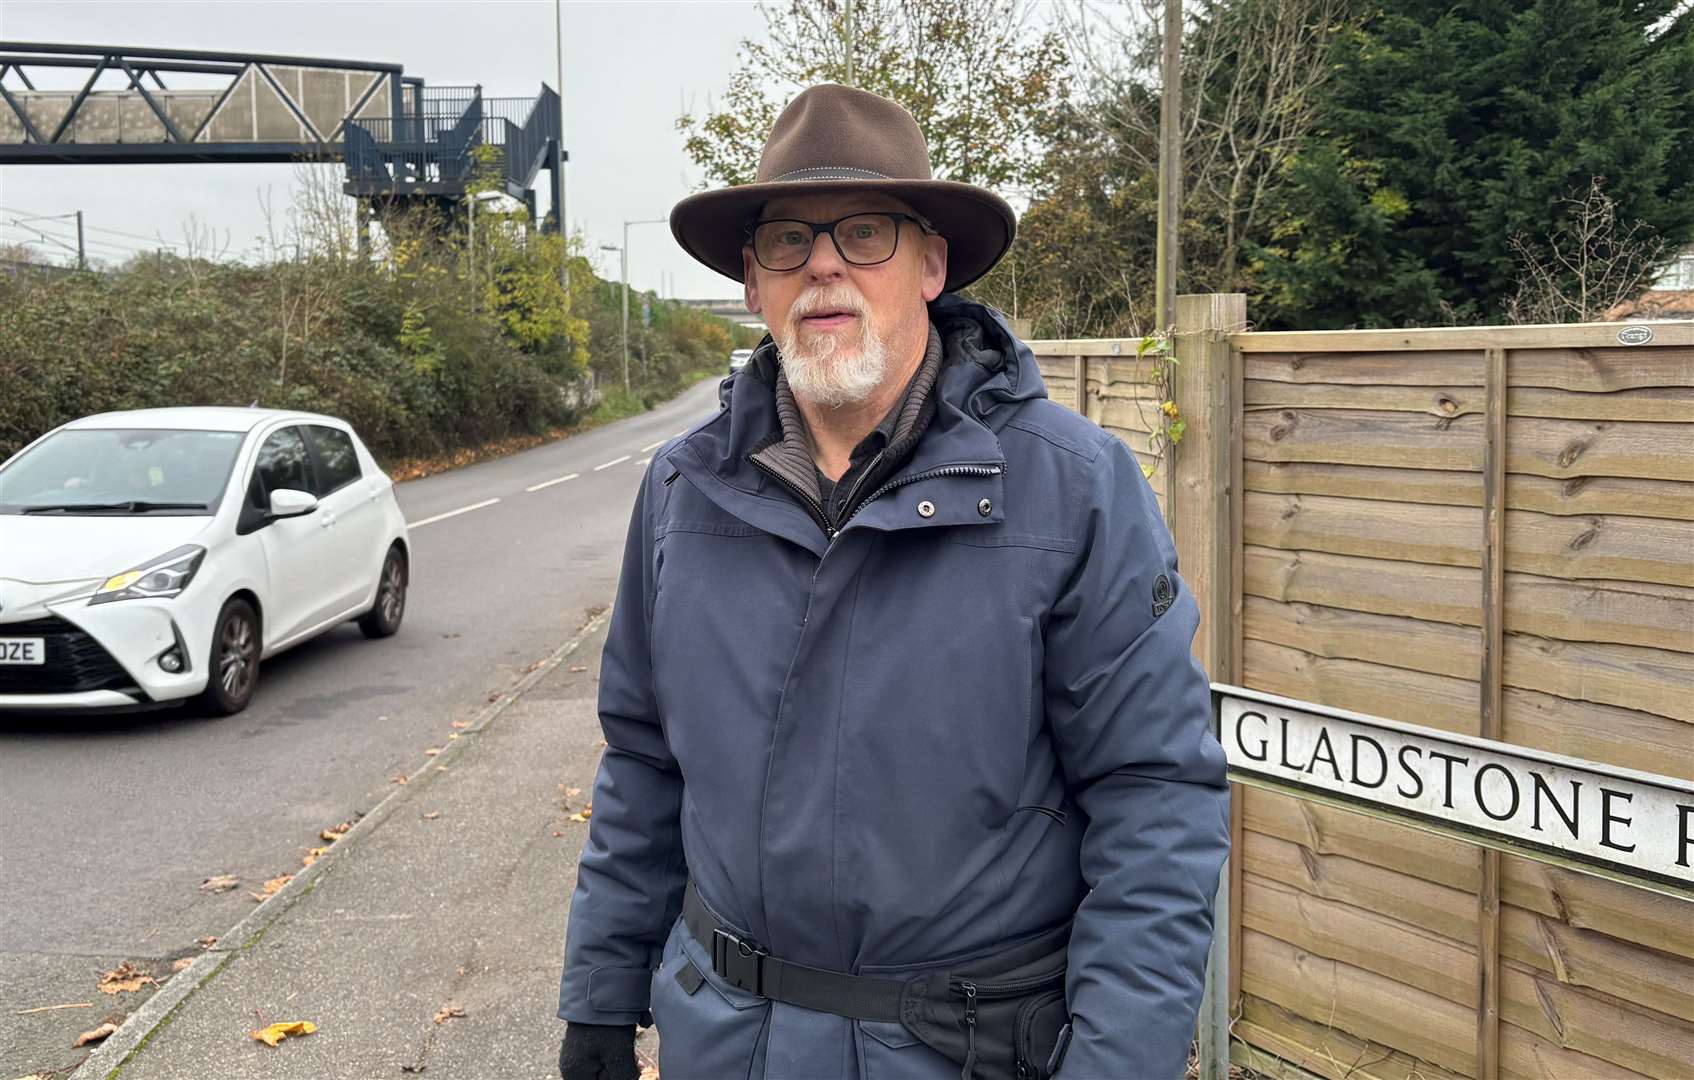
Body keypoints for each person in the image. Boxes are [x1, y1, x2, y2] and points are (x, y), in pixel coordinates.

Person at [557, 84, 1230, 1080]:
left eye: (864, 233)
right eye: (787, 239)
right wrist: (601, 997)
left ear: (930, 265)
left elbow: (1151, 797)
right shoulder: (682, 492)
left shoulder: (1072, 491)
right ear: (752, 281)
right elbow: (644, 763)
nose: (822, 264)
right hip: (725, 1046)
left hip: (968, 1053)